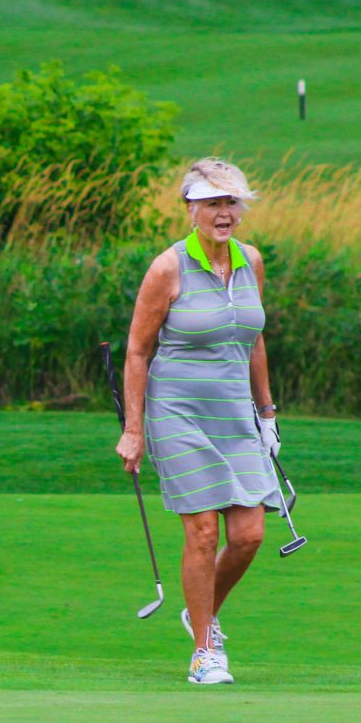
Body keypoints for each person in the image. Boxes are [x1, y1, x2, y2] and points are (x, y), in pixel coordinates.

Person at [113, 158, 282, 685]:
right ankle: (204, 651)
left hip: (234, 414)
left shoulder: (250, 261)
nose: (224, 213)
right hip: (178, 412)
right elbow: (138, 351)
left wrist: (268, 413)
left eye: (232, 202)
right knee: (204, 532)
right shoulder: (168, 268)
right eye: (213, 203)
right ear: (191, 209)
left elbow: (253, 339)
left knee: (250, 534)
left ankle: (201, 611)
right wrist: (134, 431)